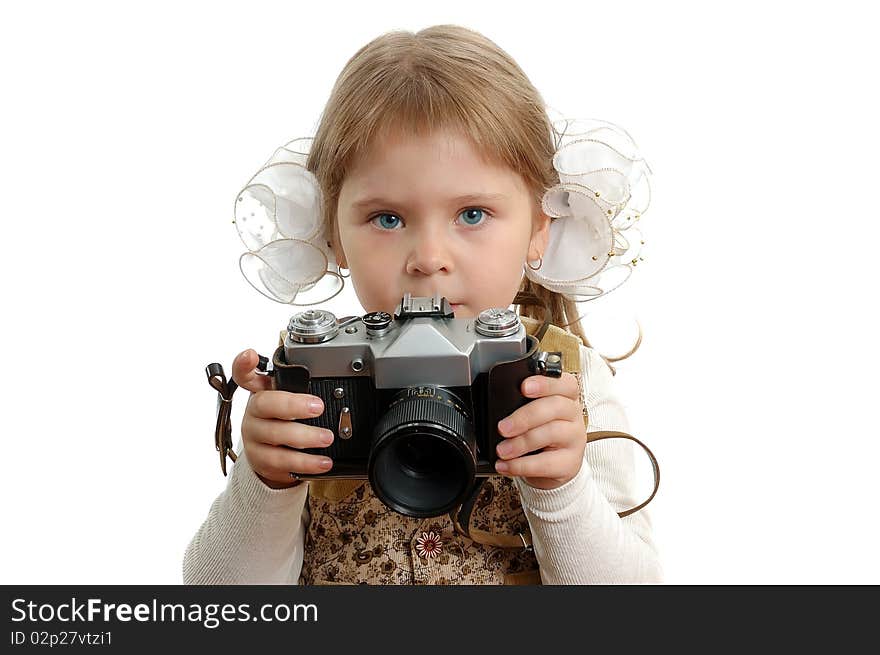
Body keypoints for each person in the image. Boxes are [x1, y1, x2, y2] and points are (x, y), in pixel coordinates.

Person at [184, 24, 662, 585]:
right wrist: (265, 484)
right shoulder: (321, 377)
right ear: (331, 233)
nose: (429, 258)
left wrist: (560, 487)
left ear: (539, 228)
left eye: (473, 214)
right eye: (387, 218)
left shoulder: (565, 384)